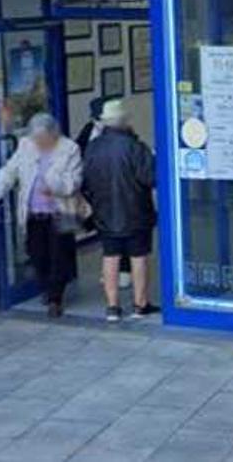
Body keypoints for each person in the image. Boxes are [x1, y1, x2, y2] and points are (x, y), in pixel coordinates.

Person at [0, 113, 83, 317]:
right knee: (37, 253)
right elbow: (9, 171)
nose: (39, 142)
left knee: (59, 255)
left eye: (43, 138)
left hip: (60, 211)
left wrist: (53, 184)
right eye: (36, 138)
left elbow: (74, 181)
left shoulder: (69, 148)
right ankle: (47, 287)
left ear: (53, 134)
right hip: (34, 211)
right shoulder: (26, 146)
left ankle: (56, 297)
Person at [81, 100, 159, 322]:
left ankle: (112, 307)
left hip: (104, 211)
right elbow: (151, 178)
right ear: (125, 122)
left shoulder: (93, 147)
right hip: (136, 211)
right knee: (138, 258)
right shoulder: (136, 148)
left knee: (110, 257)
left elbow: (85, 180)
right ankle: (140, 304)